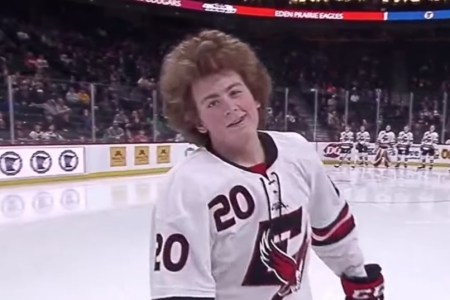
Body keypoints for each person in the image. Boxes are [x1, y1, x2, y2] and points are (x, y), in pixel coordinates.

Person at [150, 30, 384, 300]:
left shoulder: (297, 151)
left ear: (256, 96)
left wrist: (357, 276)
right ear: (197, 120)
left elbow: (332, 226)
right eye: (212, 102)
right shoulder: (185, 186)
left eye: (235, 92)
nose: (230, 107)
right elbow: (179, 290)